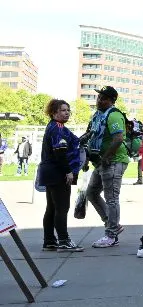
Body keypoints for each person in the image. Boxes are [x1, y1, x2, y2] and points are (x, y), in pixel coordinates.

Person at [85, 86, 129, 248]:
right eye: (98, 97)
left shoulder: (114, 115)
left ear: (111, 101)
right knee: (91, 192)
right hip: (100, 161)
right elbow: (90, 136)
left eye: (103, 98)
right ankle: (112, 225)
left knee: (111, 198)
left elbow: (118, 138)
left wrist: (106, 157)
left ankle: (111, 235)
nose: (99, 100)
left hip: (113, 161)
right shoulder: (97, 116)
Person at [40, 99, 84, 252]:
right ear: (54, 112)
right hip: (57, 172)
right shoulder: (57, 128)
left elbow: (74, 141)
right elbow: (60, 152)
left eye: (68, 110)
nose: (67, 113)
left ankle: (49, 240)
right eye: (63, 110)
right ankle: (64, 240)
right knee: (62, 207)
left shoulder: (53, 127)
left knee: (51, 207)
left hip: (48, 171)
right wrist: (68, 171)